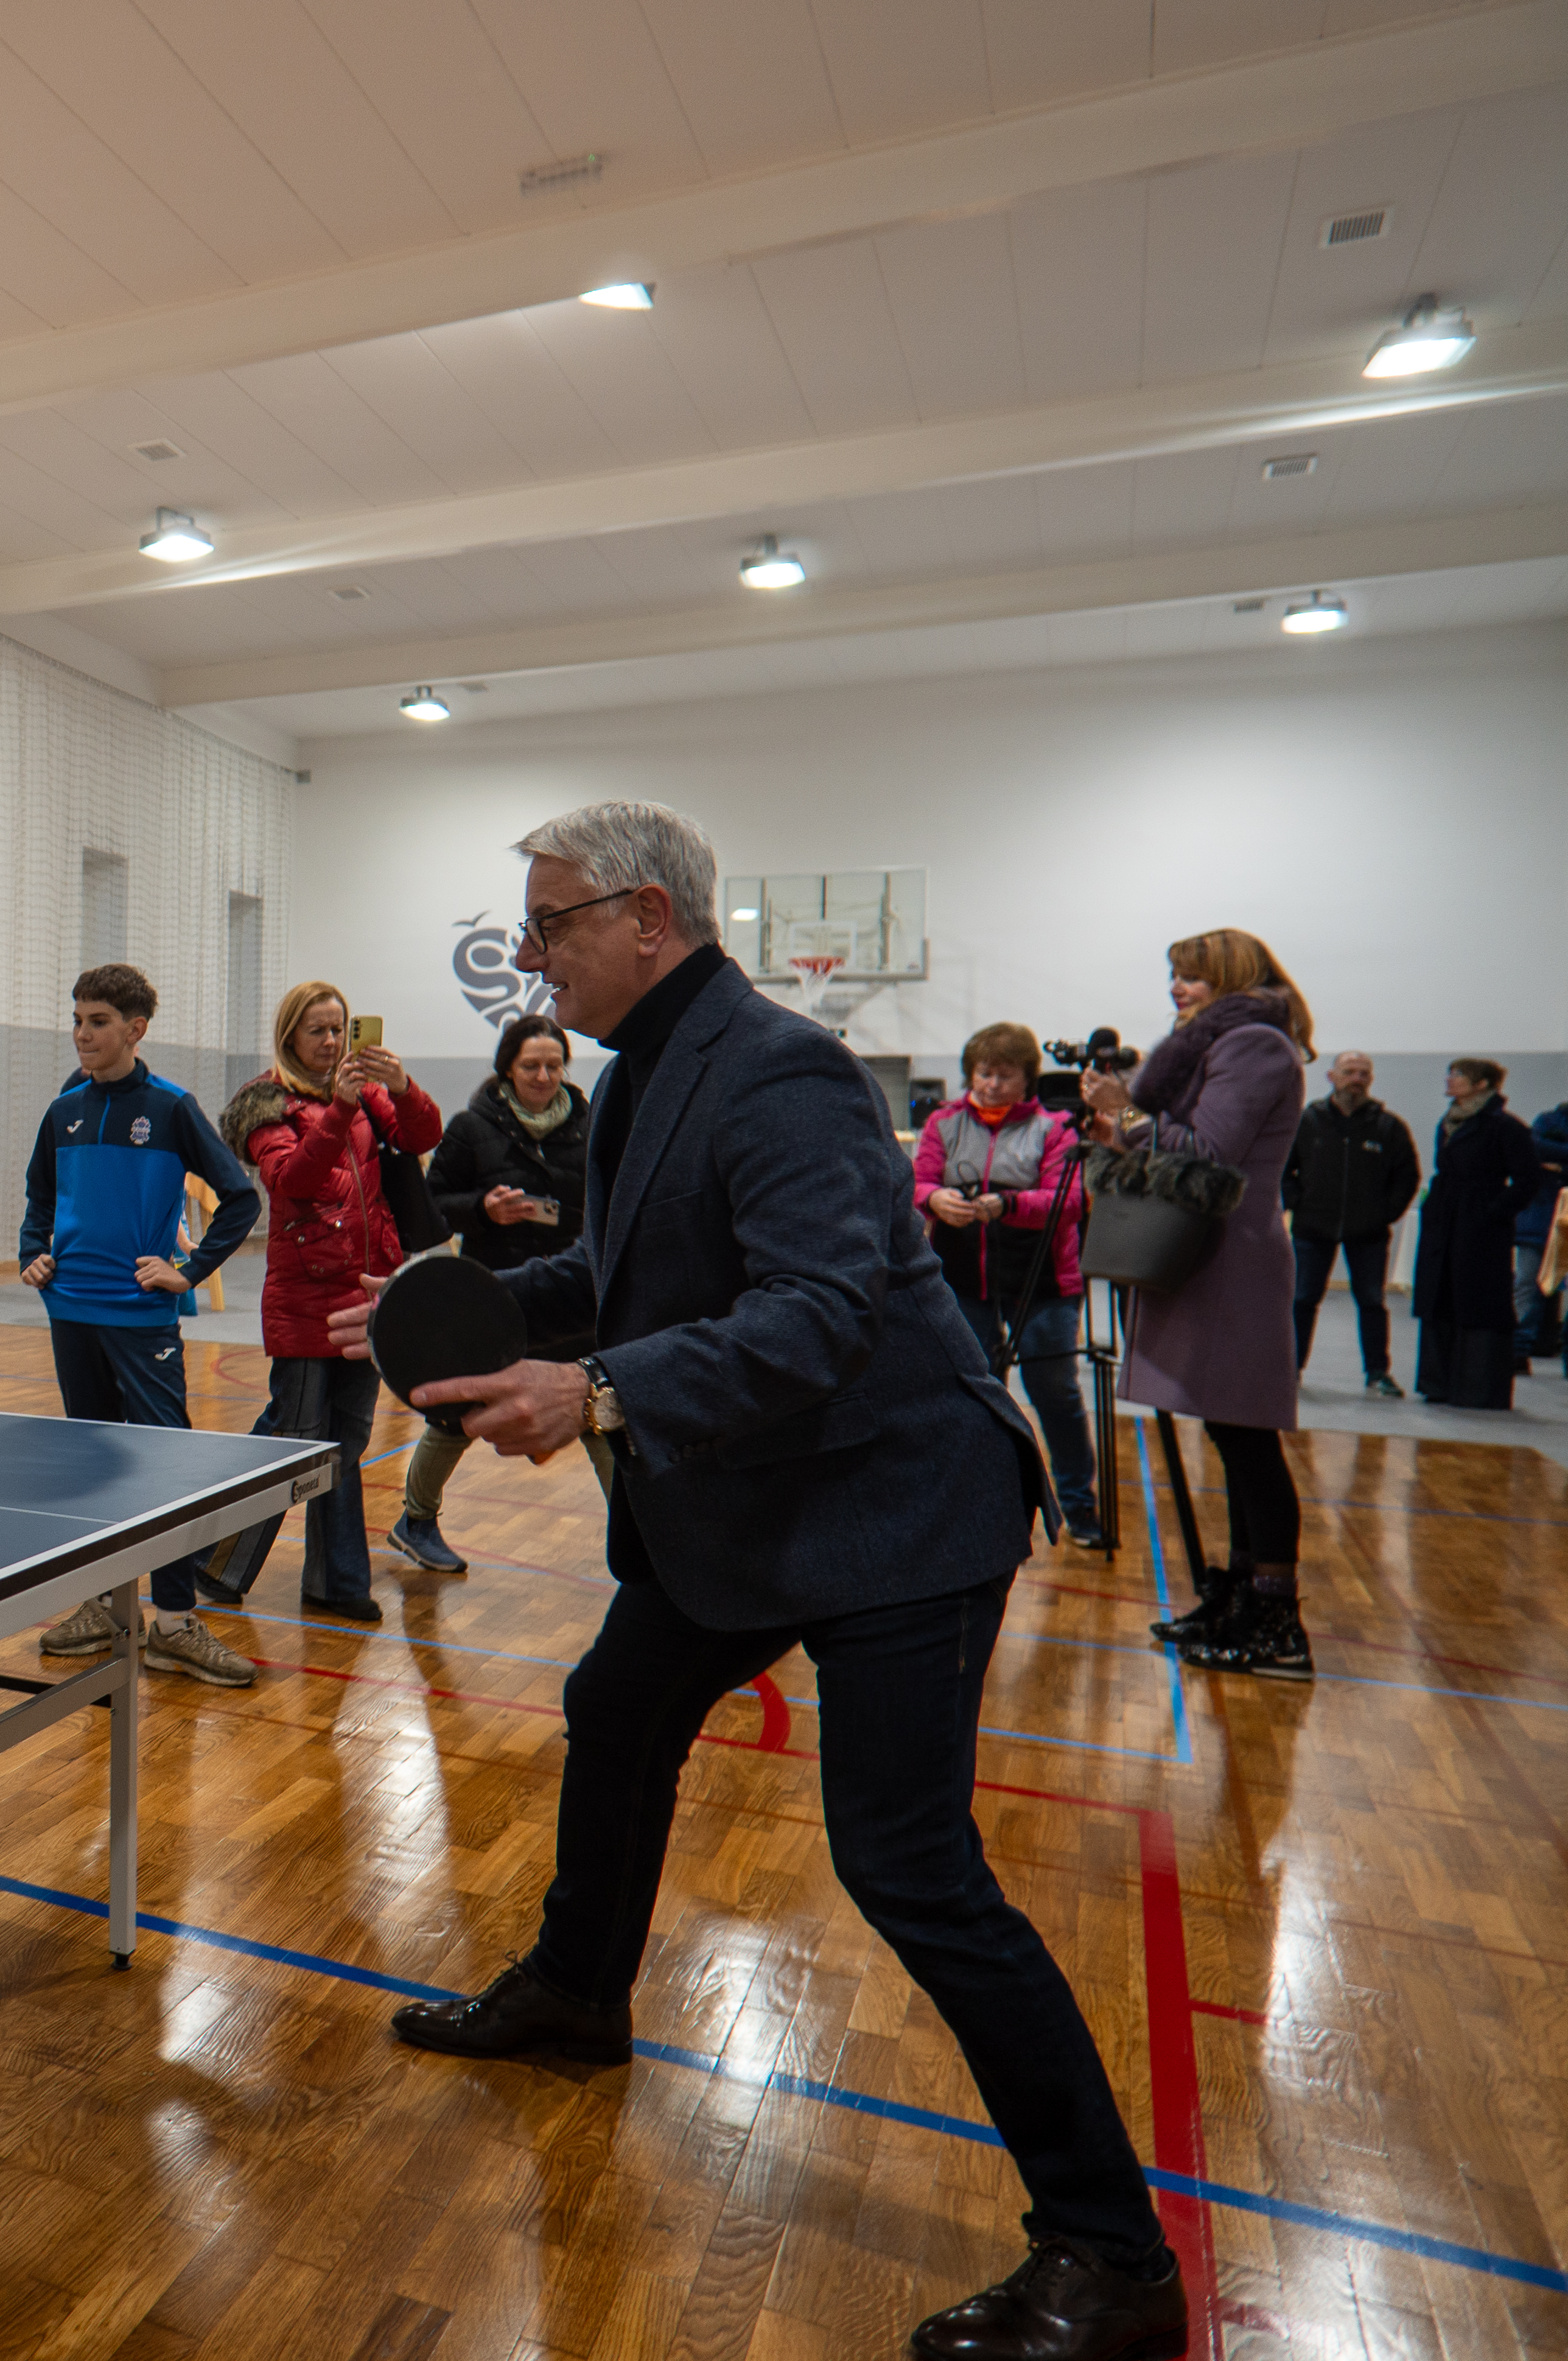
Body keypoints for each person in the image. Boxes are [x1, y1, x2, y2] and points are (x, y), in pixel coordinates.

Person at [338, 803, 1181, 2361]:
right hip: (751, 1504)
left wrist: (592, 1396)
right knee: (617, 1703)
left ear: (645, 916)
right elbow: (624, 1273)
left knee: (908, 1866)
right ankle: (582, 1994)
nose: (530, 953)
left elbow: (813, 1314)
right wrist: (460, 1304)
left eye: (551, 921)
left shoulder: (781, 1064)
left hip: (892, 1515)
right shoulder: (649, 1065)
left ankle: (1112, 2256)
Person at [23, 964, 264, 1687]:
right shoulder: (63, 1109)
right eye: (77, 1019)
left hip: (141, 1317)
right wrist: (35, 1252)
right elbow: (40, 1194)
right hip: (71, 1312)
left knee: (164, 1470)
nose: (83, 1034)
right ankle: (104, 1603)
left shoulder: (170, 1108)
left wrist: (186, 1273)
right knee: (93, 1470)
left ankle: (175, 1621)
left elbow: (241, 1199)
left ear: (135, 1029)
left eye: (98, 1021)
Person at [1080, 929, 1312, 1681]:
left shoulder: (1256, 1046)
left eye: (1192, 977)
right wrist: (1121, 1130)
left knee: (1248, 1438)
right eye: (1174, 977)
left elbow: (1208, 1154)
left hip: (1231, 1262)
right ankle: (1240, 1593)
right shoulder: (1223, 1043)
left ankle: (1276, 1618)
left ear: (1231, 977)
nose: (1177, 989)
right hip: (1206, 1257)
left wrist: (1133, 1115)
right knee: (1230, 1431)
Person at [197, 982, 441, 1621]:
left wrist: (404, 1084)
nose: (333, 1042)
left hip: (368, 1291)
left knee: (347, 1441)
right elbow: (291, 1179)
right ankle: (216, 1558)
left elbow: (422, 1134)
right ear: (290, 1038)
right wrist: (336, 1110)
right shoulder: (265, 1102)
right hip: (305, 1293)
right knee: (295, 1434)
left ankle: (336, 1582)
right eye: (318, 1031)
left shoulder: (371, 1095)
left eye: (340, 1029)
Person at [394, 1013, 609, 1566]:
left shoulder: (593, 1125)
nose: (543, 1076)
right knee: (457, 1413)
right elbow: (433, 1205)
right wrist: (483, 1211)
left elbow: (609, 1207)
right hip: (495, 1292)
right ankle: (415, 1521)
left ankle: (637, 1534)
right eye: (531, 1066)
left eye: (554, 1065)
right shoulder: (471, 1127)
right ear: (507, 1070)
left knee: (599, 1407)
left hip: (572, 1293)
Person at [914, 1024, 1101, 1547]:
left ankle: (1080, 1509)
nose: (992, 1084)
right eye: (983, 1073)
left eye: (1005, 1075)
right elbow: (917, 1179)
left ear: (1027, 1080)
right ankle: (975, 1502)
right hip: (964, 1280)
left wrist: (1009, 1205)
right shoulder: (943, 1122)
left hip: (1042, 1282)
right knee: (973, 1392)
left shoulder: (1055, 1125)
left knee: (1054, 1393)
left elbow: (1069, 1202)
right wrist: (934, 1200)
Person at [1282, 1051, 1416, 1395]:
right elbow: (1283, 1169)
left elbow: (1407, 1177)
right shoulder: (1307, 1121)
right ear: (1332, 1077)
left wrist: (1385, 1213)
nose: (1356, 1079)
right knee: (1302, 1299)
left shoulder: (1388, 1127)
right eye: (1349, 1072)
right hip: (1313, 1228)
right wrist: (1297, 1202)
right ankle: (1290, 1368)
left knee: (1372, 1301)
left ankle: (1377, 1372)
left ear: (1370, 1080)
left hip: (1368, 1232)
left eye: (1363, 1073)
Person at [1409, 1058, 1539, 1410]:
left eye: (1459, 1075)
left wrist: (1493, 1211)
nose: (1450, 1080)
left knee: (1477, 1300)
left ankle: (1477, 1387)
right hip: (1445, 1220)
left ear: (1483, 1085)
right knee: (1440, 1295)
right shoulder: (1449, 1121)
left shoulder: (1505, 1127)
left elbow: (1528, 1180)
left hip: (1481, 1227)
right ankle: (1438, 1382)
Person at [1525, 1097, 1568, 1359]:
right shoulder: (1548, 1119)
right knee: (1531, 1281)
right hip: (1541, 1214)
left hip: (1551, 1212)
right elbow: (1535, 1148)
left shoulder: (1547, 1123)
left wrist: (1559, 1165)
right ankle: (1526, 1343)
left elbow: (1543, 1150)